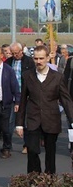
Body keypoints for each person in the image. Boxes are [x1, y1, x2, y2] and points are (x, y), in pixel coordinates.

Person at [16, 45, 73, 174]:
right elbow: (23, 100)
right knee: (32, 151)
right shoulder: (27, 76)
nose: (39, 61)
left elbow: (66, 100)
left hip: (51, 119)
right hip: (33, 119)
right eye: (36, 58)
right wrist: (19, 123)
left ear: (48, 58)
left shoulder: (57, 77)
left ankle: (49, 182)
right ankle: (33, 180)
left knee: (50, 153)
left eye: (41, 58)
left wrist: (72, 120)